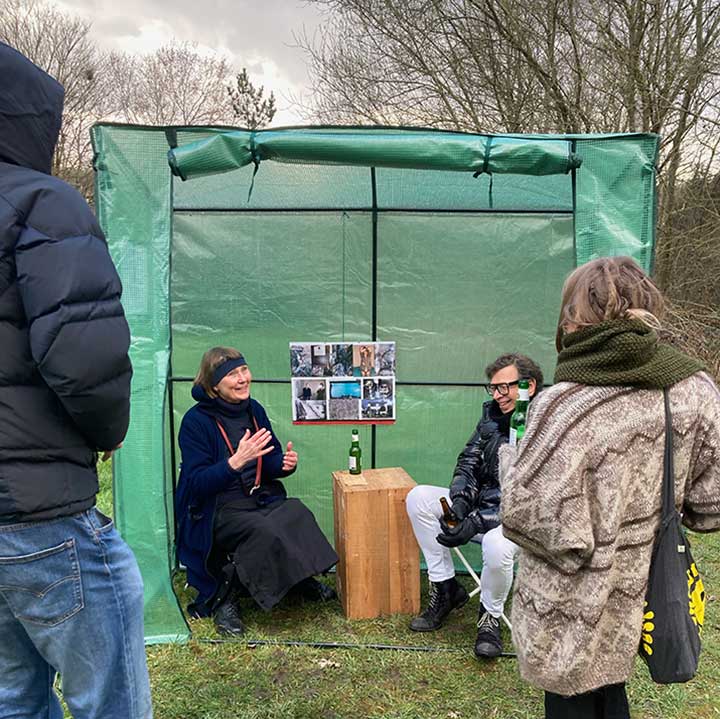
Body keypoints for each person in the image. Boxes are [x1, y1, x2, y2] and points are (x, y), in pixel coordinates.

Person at [0, 43, 152, 718]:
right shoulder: (43, 204)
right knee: (109, 701)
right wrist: (107, 431)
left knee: (12, 698)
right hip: (42, 517)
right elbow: (84, 360)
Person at [500, 256, 720, 718]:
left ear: (577, 316)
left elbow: (530, 515)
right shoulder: (694, 388)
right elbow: (710, 504)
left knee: (572, 702)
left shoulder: (564, 404)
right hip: (637, 593)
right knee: (610, 695)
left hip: (568, 607)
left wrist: (509, 460)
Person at [176, 347, 339, 634]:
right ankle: (224, 598)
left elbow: (270, 460)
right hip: (216, 508)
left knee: (296, 512)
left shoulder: (254, 410)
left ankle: (297, 578)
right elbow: (196, 483)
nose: (242, 379)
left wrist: (285, 464)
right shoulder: (196, 422)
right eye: (232, 375)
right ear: (213, 385)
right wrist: (234, 462)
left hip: (257, 497)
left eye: (243, 370)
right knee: (263, 529)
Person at [405, 353, 543, 658]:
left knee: (496, 543)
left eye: (504, 388)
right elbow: (468, 462)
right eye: (493, 388)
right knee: (418, 498)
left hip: (528, 523)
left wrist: (477, 523)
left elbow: (534, 495)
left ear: (528, 386)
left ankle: (489, 617)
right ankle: (445, 589)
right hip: (483, 509)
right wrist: (460, 503)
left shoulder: (548, 422)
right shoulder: (491, 416)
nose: (497, 395)